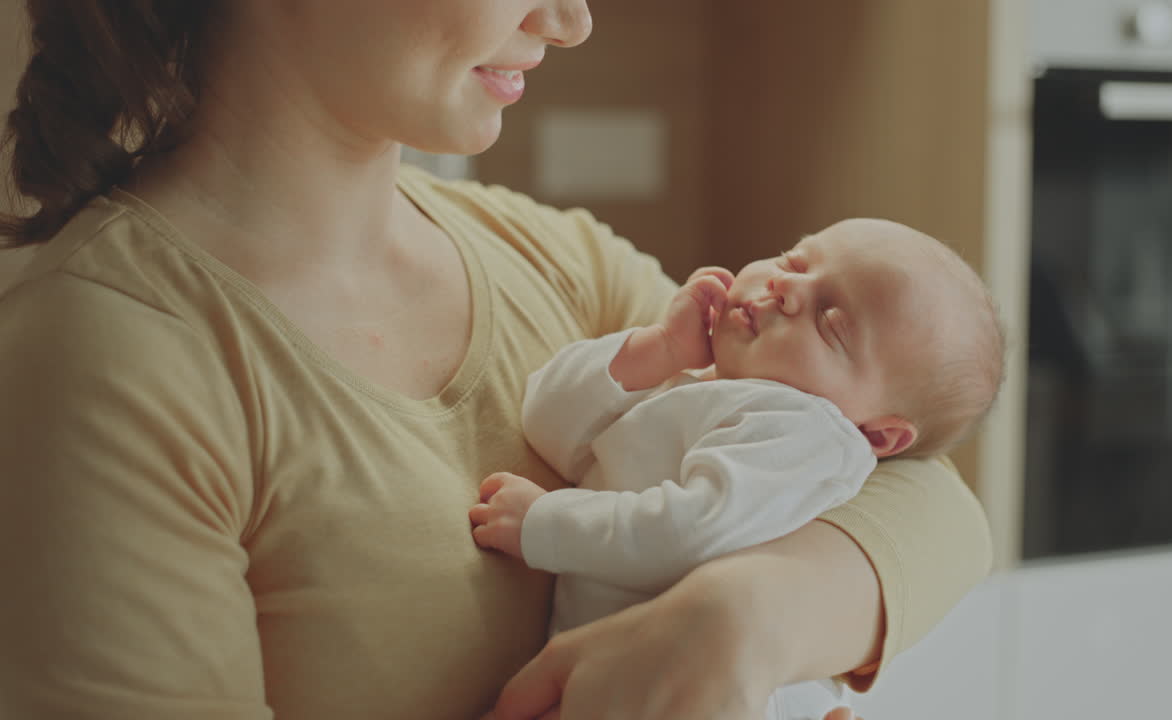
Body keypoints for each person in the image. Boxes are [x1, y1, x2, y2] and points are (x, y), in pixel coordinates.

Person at [0, 2, 993, 719]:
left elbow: (928, 493)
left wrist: (741, 622)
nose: (568, 19)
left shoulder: (549, 259)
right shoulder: (104, 358)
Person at [469, 218, 1004, 719]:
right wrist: (657, 349)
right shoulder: (712, 378)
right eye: (794, 261)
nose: (786, 288)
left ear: (877, 433)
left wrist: (545, 523)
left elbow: (690, 530)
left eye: (830, 322)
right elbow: (546, 423)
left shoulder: (801, 429)